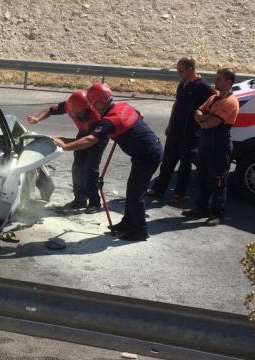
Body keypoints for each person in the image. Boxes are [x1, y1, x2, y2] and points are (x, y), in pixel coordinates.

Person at [51, 83, 162, 241]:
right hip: (147, 152)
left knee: (135, 193)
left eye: (93, 104)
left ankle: (140, 230)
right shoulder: (123, 106)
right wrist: (124, 130)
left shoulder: (110, 120)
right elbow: (140, 115)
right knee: (132, 191)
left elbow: (90, 140)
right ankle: (127, 223)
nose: (93, 108)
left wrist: (66, 146)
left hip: (148, 155)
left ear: (101, 102)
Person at [146, 57, 216, 203]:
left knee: (185, 165)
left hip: (190, 134)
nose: (179, 74)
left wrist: (204, 119)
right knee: (167, 162)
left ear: (191, 69)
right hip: (175, 131)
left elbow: (218, 103)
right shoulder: (182, 84)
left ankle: (179, 193)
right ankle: (159, 188)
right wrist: (170, 125)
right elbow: (176, 105)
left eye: (181, 71)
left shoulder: (203, 87)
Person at [28, 91, 109, 214]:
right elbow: (50, 110)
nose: (70, 115)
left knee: (90, 170)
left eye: (73, 113)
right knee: (77, 167)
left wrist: (64, 142)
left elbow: (87, 142)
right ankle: (80, 199)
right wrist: (37, 118)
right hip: (83, 133)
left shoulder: (95, 117)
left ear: (83, 110)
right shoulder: (70, 105)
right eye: (68, 112)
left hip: (96, 138)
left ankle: (94, 202)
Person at [181, 68, 239, 226]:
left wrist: (203, 119)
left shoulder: (231, 102)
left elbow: (214, 122)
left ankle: (216, 213)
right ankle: (201, 207)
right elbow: (197, 113)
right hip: (205, 145)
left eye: (219, 79)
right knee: (202, 178)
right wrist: (205, 118)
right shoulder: (214, 97)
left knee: (218, 181)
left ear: (228, 82)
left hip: (219, 147)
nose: (215, 81)